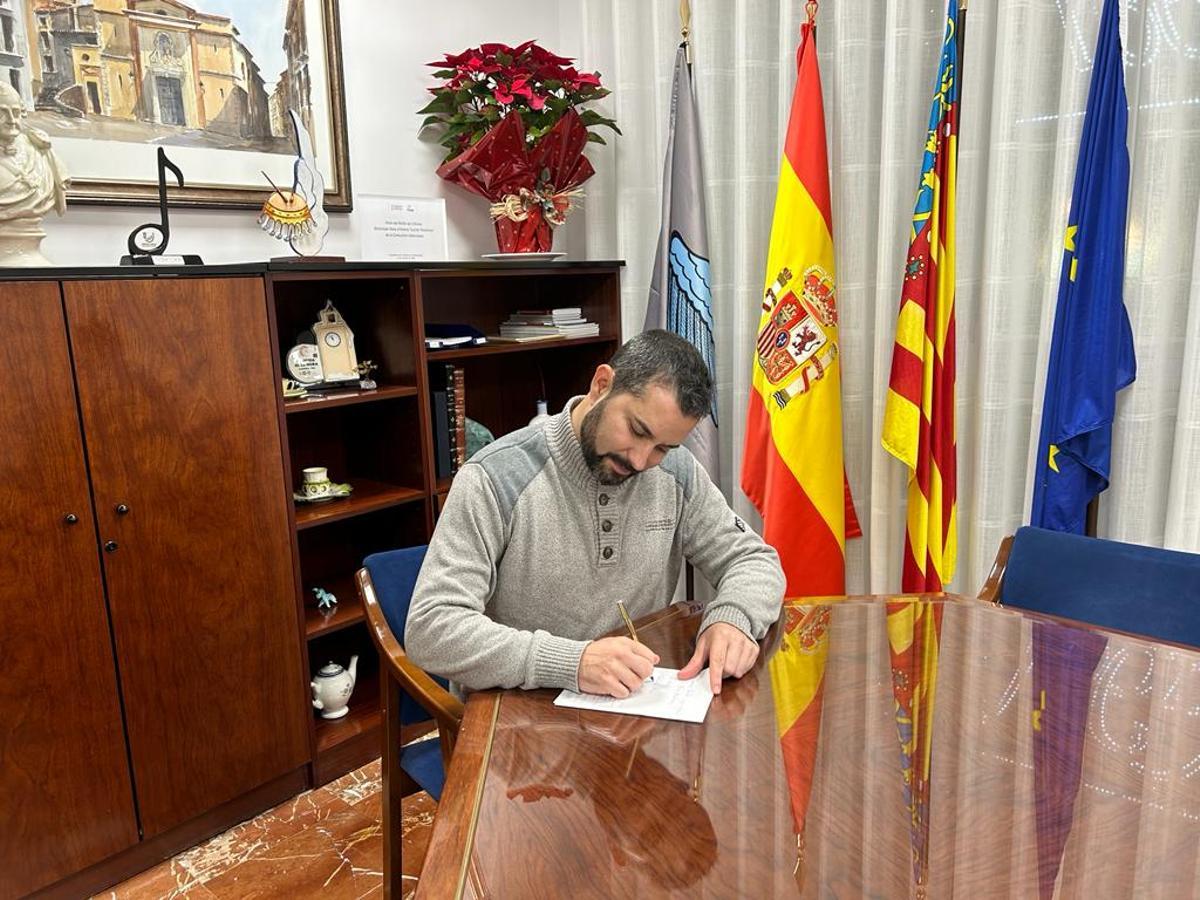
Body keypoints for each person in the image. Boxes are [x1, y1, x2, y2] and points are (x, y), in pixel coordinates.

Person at [405, 329, 785, 697]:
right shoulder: (494, 477)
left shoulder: (676, 472)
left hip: (634, 707)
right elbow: (432, 628)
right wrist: (572, 662)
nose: (639, 460)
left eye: (662, 448)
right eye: (636, 430)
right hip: (516, 720)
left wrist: (733, 617)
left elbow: (752, 560)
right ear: (601, 384)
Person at [0, 82, 67, 265]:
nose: (12, 120)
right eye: (1, 113)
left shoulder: (41, 151)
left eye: (15, 112)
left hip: (32, 258)